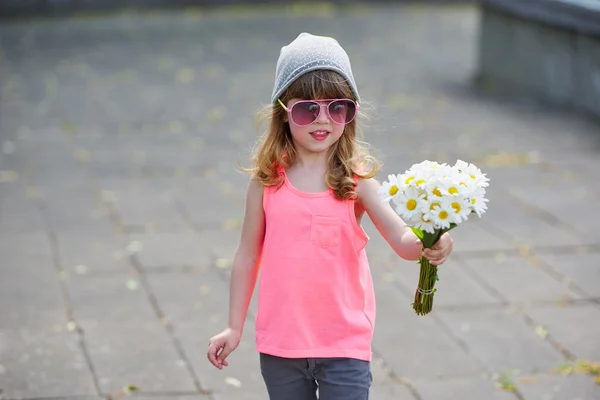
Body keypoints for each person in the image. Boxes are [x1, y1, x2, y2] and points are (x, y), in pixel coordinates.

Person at [207, 32, 454, 400]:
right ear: (283, 111)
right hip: (282, 345)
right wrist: (234, 327)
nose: (323, 119)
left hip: (344, 344)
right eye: (308, 108)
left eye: (338, 107)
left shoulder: (357, 181)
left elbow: (402, 240)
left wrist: (433, 240)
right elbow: (248, 255)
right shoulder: (267, 182)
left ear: (351, 113)